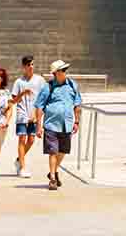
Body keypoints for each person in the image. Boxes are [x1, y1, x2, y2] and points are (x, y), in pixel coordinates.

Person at [32, 59, 83, 191]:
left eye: (65, 70)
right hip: (51, 125)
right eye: (63, 70)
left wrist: (77, 121)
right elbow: (39, 107)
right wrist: (38, 126)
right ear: (55, 73)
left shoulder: (72, 85)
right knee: (53, 151)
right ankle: (53, 178)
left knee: (62, 151)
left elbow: (77, 105)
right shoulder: (47, 87)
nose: (66, 72)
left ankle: (52, 171)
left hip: (67, 124)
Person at [10, 56, 47, 178]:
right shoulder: (19, 82)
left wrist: (38, 115)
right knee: (22, 139)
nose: (31, 67)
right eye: (29, 65)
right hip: (22, 114)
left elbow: (43, 98)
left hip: (34, 115)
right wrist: (23, 93)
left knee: (31, 140)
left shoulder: (40, 80)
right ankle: (23, 167)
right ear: (24, 67)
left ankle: (18, 160)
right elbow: (13, 101)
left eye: (32, 64)